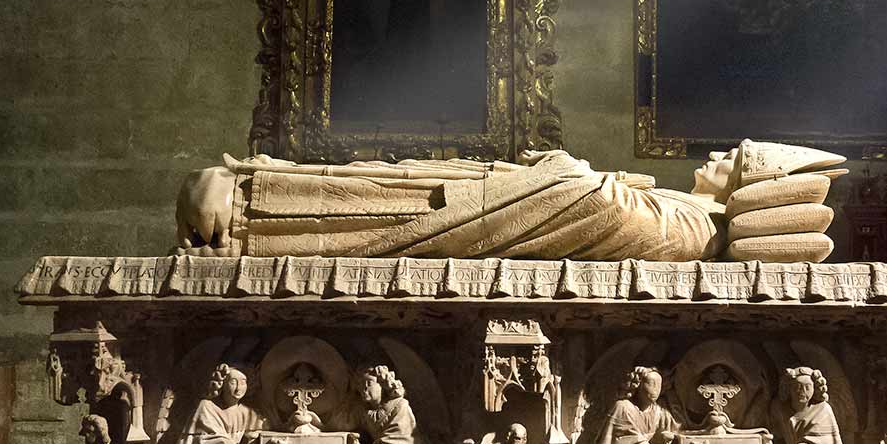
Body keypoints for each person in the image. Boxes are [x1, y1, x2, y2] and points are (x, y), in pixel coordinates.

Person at [175, 139, 845, 262]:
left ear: (746, 189)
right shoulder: (691, 212)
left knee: (391, 203)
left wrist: (568, 169)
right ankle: (261, 192)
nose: (717, 156)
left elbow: (603, 213)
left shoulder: (700, 230)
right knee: (398, 182)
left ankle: (254, 214)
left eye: (734, 160)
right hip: (506, 197)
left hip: (496, 213)